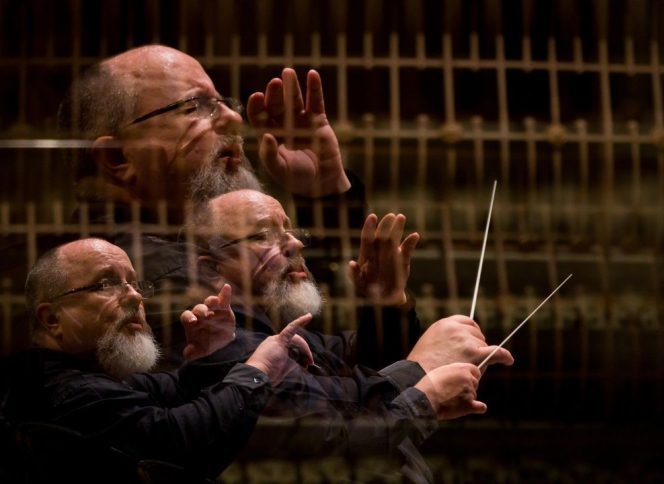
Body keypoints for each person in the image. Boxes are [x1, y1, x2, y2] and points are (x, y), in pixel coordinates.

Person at [55, 44, 408, 367]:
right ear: (117, 157)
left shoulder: (182, 246)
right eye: (195, 107)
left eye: (224, 103)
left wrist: (324, 193)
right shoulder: (154, 273)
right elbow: (325, 383)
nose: (235, 120)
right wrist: (420, 382)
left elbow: (328, 344)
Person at [185, 189, 514, 481]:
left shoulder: (295, 336)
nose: (295, 243)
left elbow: (363, 369)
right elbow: (331, 431)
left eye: (290, 230)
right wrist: (421, 370)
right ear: (212, 269)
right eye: (262, 235)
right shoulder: (225, 346)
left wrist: (387, 302)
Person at [0, 238, 305, 480]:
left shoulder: (83, 374)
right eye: (105, 284)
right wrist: (259, 369)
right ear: (52, 317)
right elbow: (174, 440)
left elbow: (174, 389)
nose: (134, 297)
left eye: (134, 283)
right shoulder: (64, 392)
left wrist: (216, 354)